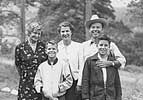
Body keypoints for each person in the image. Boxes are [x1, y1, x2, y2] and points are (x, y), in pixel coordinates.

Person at [77, 15, 126, 88]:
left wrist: (110, 63)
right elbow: (81, 66)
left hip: (105, 85)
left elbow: (122, 60)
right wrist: (80, 84)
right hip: (89, 84)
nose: (95, 29)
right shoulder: (84, 46)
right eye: (93, 27)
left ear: (102, 29)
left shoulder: (111, 45)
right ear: (89, 30)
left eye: (98, 27)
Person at [82, 34, 122, 100]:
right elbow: (85, 80)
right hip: (95, 96)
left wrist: (119, 97)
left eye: (106, 45)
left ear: (109, 47)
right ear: (97, 46)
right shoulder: (90, 61)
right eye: (101, 45)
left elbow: (117, 82)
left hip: (110, 97)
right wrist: (86, 97)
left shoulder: (112, 62)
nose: (103, 47)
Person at [15, 22, 48, 100]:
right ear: (29, 33)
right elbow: (18, 65)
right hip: (26, 83)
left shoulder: (43, 46)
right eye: (35, 33)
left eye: (39, 34)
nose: (37, 36)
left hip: (41, 82)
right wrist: (26, 74)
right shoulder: (20, 47)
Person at [57, 21, 84, 100]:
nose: (65, 33)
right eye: (62, 31)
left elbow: (82, 65)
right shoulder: (57, 47)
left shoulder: (78, 46)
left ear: (71, 32)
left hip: (75, 81)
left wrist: (80, 83)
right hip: (62, 82)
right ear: (60, 33)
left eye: (67, 31)